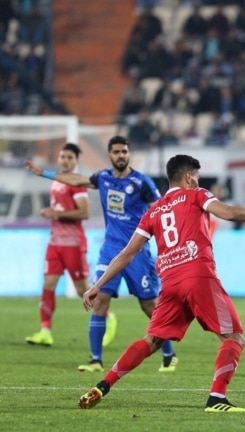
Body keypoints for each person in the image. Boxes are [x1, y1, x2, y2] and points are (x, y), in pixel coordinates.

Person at [78, 154, 245, 412]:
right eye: (196, 177)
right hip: (198, 275)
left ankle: (104, 384)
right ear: (189, 177)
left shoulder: (153, 211)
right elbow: (229, 213)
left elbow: (126, 254)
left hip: (169, 283)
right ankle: (217, 398)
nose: (197, 181)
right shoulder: (196, 194)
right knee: (234, 336)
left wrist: (96, 285)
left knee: (152, 340)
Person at [24, 135, 174, 373]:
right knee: (100, 300)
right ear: (109, 155)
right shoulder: (102, 178)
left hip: (137, 251)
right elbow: (76, 179)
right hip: (111, 250)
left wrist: (165, 240)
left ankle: (168, 352)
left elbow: (161, 208)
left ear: (129, 154)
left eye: (124, 151)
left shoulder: (142, 182)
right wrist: (44, 173)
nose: (121, 155)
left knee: (147, 304)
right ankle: (96, 359)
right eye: (116, 152)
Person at [24, 143, 94, 346]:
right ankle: (45, 330)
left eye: (70, 157)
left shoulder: (77, 184)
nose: (65, 160)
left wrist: (55, 213)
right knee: (48, 285)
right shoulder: (56, 182)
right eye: (63, 156)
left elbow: (84, 213)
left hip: (73, 243)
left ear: (76, 161)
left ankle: (106, 316)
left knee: (84, 290)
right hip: (55, 242)